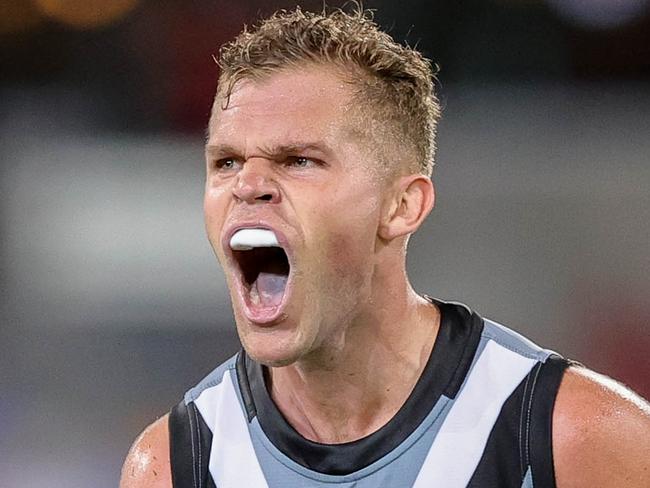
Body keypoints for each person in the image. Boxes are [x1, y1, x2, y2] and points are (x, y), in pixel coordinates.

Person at [120, 7, 650, 488]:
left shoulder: (575, 439)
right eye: (226, 162)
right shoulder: (173, 465)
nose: (247, 185)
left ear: (402, 207)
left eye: (299, 160)